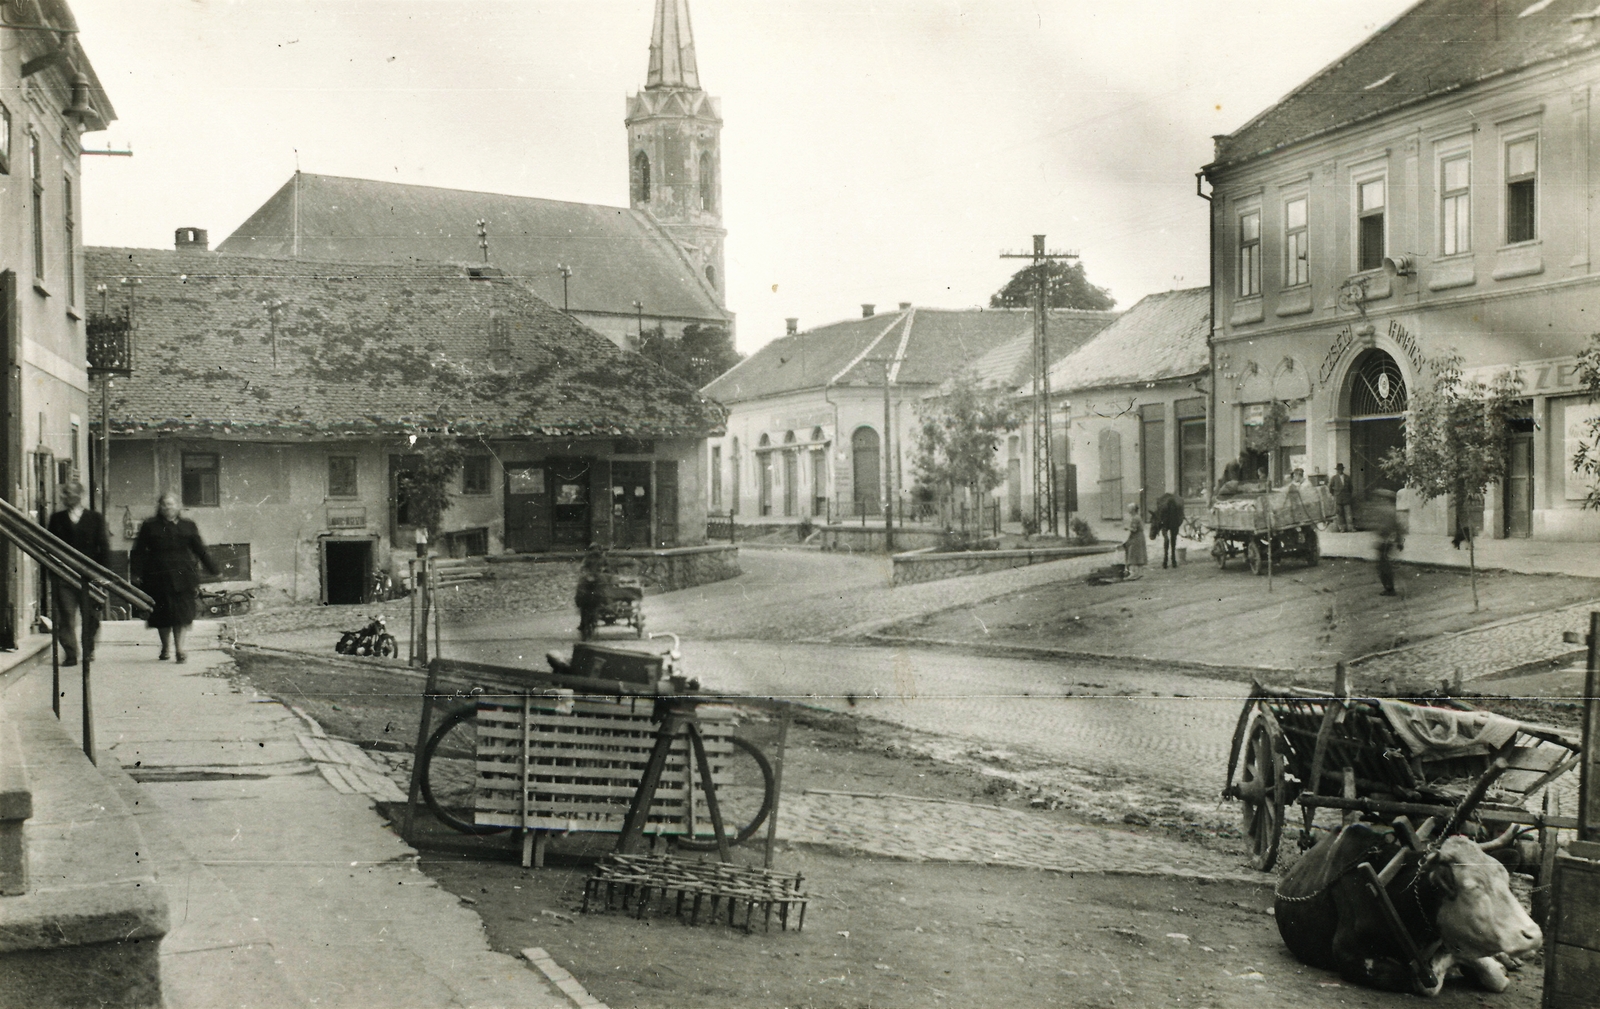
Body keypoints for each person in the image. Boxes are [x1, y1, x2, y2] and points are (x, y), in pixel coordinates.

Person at [129, 492, 218, 662]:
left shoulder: (188, 526)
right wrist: (136, 573)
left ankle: (180, 649)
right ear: (159, 507)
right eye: (164, 505)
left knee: (181, 614)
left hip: (183, 575)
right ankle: (165, 647)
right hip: (157, 575)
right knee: (162, 615)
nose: (168, 508)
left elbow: (200, 549)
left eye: (171, 504)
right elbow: (138, 551)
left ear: (178, 506)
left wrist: (213, 568)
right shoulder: (150, 526)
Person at [46, 480, 110, 666]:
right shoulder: (56, 519)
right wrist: (53, 572)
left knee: (91, 616)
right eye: (64, 493)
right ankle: (71, 653)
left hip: (89, 577)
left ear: (80, 495)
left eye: (70, 493)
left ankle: (89, 649)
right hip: (64, 576)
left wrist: (102, 576)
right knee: (65, 615)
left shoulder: (95, 518)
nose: (65, 497)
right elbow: (49, 547)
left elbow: (103, 547)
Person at [1370, 488, 1404, 596]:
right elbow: (1398, 527)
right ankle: (1389, 587)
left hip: (1385, 540)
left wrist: (1380, 537)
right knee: (1383, 564)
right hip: (1387, 540)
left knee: (1383, 565)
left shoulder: (1385, 510)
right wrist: (1399, 541)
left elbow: (1386, 527)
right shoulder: (1390, 509)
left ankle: (1389, 588)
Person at [1122, 502, 1147, 580]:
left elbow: (1134, 529)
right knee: (1139, 553)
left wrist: (1127, 528)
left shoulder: (1135, 518)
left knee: (1132, 554)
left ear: (1133, 510)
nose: (1128, 510)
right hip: (1140, 537)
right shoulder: (1138, 517)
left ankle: (1133, 574)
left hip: (1136, 537)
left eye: (1129, 508)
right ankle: (1140, 573)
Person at [1329, 463, 1353, 532]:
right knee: (1339, 514)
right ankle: (1342, 528)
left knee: (1348, 513)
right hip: (1338, 498)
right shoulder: (1334, 478)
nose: (1339, 471)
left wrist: (1348, 494)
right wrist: (1335, 494)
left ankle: (1350, 527)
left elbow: (1351, 488)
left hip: (1346, 498)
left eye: (1341, 469)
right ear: (1337, 470)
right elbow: (1330, 488)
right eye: (1338, 469)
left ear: (1343, 469)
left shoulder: (1347, 477)